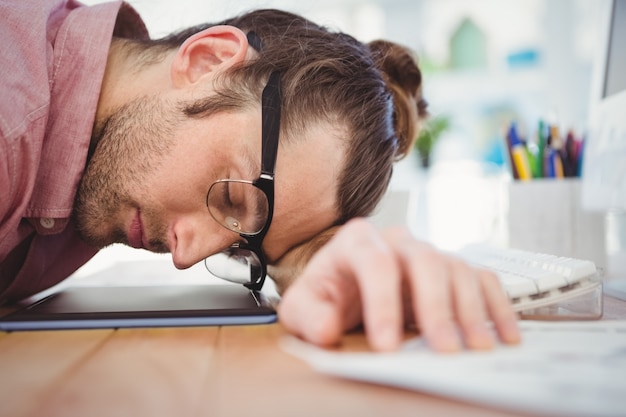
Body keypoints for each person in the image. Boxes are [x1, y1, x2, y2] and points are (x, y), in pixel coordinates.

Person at [0, 0, 520, 352]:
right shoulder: (11, 119)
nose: (185, 256)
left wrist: (321, 261)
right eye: (228, 196)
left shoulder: (92, 150)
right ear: (210, 60)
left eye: (241, 250)